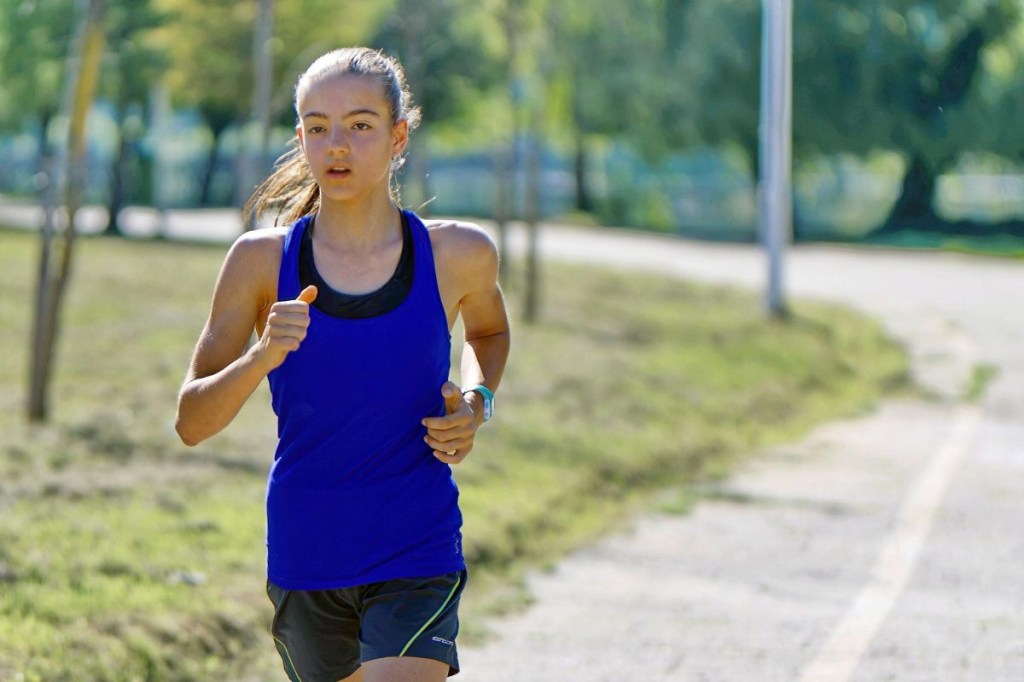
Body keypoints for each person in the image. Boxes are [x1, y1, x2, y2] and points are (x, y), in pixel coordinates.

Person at [174, 47, 510, 682]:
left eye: (360, 125)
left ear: (398, 136)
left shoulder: (458, 254)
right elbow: (191, 422)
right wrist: (261, 356)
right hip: (308, 554)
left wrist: (478, 402)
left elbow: (489, 333)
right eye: (318, 126)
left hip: (417, 542)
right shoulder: (259, 263)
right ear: (300, 138)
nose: (337, 145)